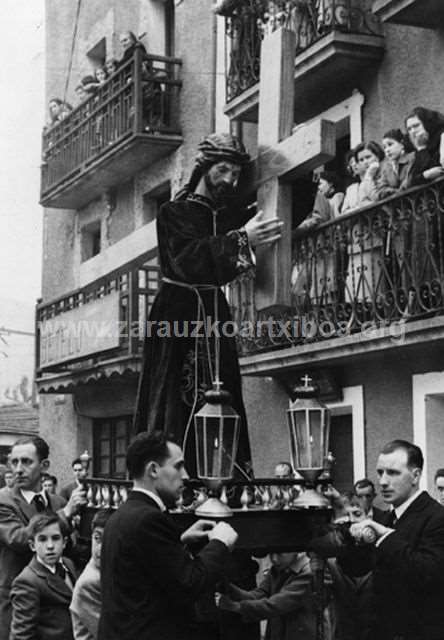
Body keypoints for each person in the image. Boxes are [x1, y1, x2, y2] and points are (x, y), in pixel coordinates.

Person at [133, 133, 282, 475]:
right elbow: (186, 259)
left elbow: (283, 204)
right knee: (176, 394)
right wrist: (243, 240)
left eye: (235, 174)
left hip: (214, 311)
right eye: (224, 170)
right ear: (205, 168)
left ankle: (224, 476)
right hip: (178, 310)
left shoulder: (228, 216)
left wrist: (305, 175)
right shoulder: (173, 212)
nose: (230, 180)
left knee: (223, 389)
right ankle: (173, 477)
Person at [98, 431, 239, 640]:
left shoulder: (123, 514)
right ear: (153, 470)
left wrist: (180, 540)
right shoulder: (148, 519)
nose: (185, 475)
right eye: (178, 466)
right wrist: (220, 543)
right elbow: (190, 583)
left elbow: (144, 567)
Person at [350, 439, 444, 640]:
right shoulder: (386, 517)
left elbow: (428, 573)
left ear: (416, 475)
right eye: (380, 472)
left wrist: (385, 536)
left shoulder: (437, 517)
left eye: (393, 473)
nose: (383, 481)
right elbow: (358, 569)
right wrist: (350, 536)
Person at [0, 436, 86, 640]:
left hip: (57, 611)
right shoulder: (4, 501)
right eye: (14, 462)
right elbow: (19, 539)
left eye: (26, 462)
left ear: (44, 465)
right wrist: (65, 515)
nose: (18, 469)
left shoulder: (57, 502)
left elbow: (71, 548)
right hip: (18, 606)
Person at [215, 550, 332, 640]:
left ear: (295, 550)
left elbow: (274, 605)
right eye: (271, 553)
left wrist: (235, 606)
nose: (274, 559)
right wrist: (229, 588)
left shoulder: (309, 572)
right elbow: (258, 595)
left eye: (280, 554)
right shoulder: (278, 569)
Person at [9, 514, 77, 640]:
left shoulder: (68, 564)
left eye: (55, 538)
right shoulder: (27, 581)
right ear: (32, 545)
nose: (50, 546)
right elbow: (21, 634)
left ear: (64, 542)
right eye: (42, 539)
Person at [71, 509, 114, 640]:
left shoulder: (107, 570)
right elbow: (112, 633)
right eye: (97, 538)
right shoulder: (90, 581)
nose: (100, 547)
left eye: (108, 539)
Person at [405, 106, 444, 186]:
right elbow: (410, 181)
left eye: (416, 126)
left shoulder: (442, 136)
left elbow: (438, 169)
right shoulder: (419, 147)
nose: (413, 131)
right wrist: (424, 176)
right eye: (409, 129)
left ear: (427, 123)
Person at [377, 128, 415, 199]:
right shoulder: (387, 168)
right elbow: (381, 189)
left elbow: (410, 179)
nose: (387, 150)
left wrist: (398, 191)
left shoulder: (412, 158)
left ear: (401, 144)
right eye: (384, 147)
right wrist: (395, 192)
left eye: (390, 144)